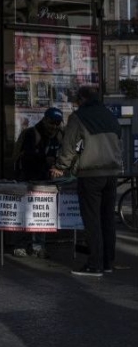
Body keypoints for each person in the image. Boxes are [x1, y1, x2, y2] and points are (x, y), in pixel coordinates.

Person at [50, 87, 122, 276]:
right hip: (112, 173)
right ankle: (107, 262)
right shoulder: (109, 115)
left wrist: (60, 166)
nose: (76, 104)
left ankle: (94, 265)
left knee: (92, 220)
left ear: (82, 99)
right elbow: (119, 137)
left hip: (91, 174)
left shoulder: (78, 117)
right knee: (107, 219)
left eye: (76, 101)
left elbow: (68, 145)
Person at [12, 107, 64, 258]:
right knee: (24, 212)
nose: (54, 126)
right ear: (45, 119)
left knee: (42, 214)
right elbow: (26, 156)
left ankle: (38, 246)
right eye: (52, 122)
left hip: (45, 179)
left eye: (57, 123)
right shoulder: (31, 133)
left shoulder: (59, 135)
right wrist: (44, 159)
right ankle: (21, 245)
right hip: (27, 177)